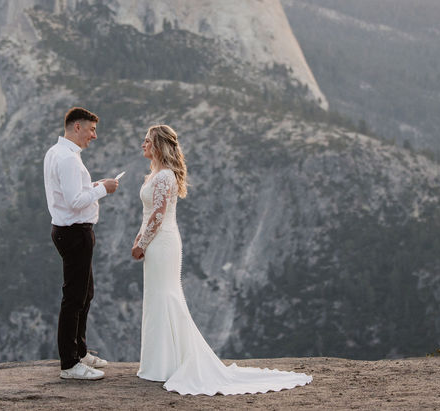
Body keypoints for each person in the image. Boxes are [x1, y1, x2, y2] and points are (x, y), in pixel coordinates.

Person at [131, 124, 312, 395]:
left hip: (162, 242)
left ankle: (167, 364)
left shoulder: (165, 176)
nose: (142, 144)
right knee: (157, 296)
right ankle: (160, 363)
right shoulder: (155, 175)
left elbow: (158, 213)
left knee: (166, 295)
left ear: (158, 144)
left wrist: (142, 243)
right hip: (155, 240)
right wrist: (138, 238)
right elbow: (148, 214)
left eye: (146, 140)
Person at [44, 106, 120, 380]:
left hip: (69, 230)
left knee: (85, 293)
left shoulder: (57, 153)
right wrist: (103, 189)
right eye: (91, 129)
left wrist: (93, 186)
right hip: (74, 232)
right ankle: (69, 364)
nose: (94, 136)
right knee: (74, 297)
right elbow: (75, 201)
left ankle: (80, 352)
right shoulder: (67, 159)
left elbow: (69, 194)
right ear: (77, 127)